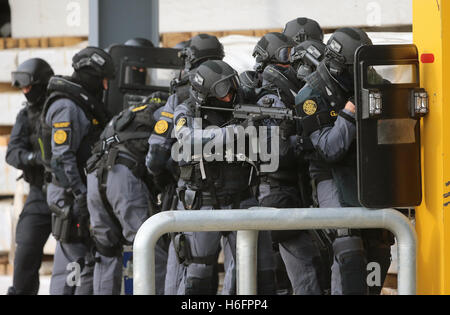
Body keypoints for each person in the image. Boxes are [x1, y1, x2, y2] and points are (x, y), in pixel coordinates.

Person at [295, 27, 393, 295]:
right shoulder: (311, 95)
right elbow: (329, 149)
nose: (362, 72)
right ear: (340, 66)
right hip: (331, 175)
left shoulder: (371, 80)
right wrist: (351, 111)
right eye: (355, 67)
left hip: (368, 172)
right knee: (348, 250)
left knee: (380, 247)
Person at [172, 60, 275, 295]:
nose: (230, 97)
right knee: (197, 275)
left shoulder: (243, 101)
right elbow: (189, 140)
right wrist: (237, 131)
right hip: (204, 201)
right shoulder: (187, 110)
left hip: (243, 198)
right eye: (223, 92)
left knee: (259, 274)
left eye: (232, 88)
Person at [146, 34, 226, 295]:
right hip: (231, 192)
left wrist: (162, 180)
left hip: (188, 191)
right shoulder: (234, 86)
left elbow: (156, 156)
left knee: (185, 263)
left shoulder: (181, 92)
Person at [252, 33, 331, 295]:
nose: (293, 63)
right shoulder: (269, 99)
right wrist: (310, 141)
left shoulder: (290, 95)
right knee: (305, 269)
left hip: (294, 191)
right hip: (277, 193)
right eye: (286, 55)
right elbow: (278, 151)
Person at [40, 46, 115, 295]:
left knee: (79, 258)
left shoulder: (80, 104)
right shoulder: (68, 107)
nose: (104, 88)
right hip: (69, 192)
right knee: (74, 259)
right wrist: (81, 195)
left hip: (77, 191)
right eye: (102, 80)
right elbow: (62, 159)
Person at [85, 94, 167, 295]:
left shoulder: (126, 114)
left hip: (94, 176)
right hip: (122, 177)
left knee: (105, 250)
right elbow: (159, 156)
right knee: (149, 245)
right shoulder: (163, 113)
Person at [6, 58, 54, 295]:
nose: (25, 92)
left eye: (29, 86)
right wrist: (33, 158)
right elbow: (12, 152)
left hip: (68, 191)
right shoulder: (26, 115)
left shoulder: (63, 106)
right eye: (21, 87)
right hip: (39, 193)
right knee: (25, 249)